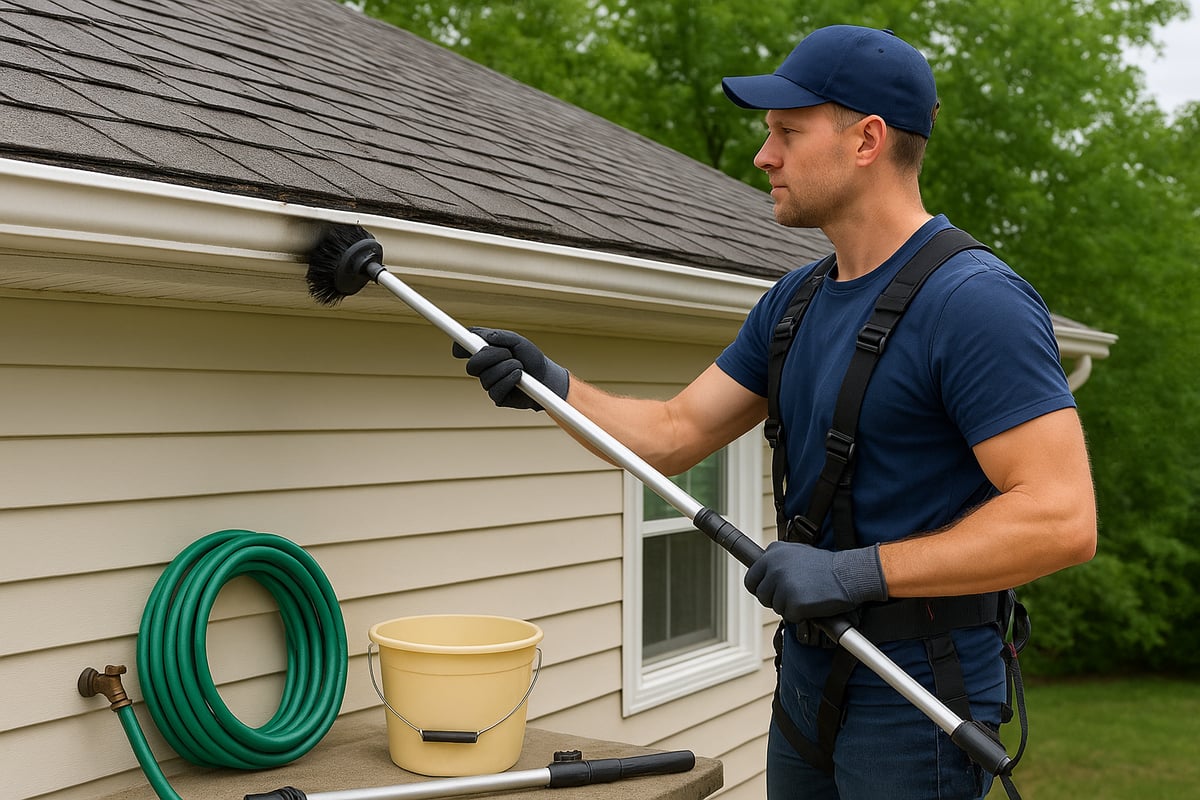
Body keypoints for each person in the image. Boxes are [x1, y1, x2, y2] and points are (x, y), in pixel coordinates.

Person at [454, 24, 1097, 800]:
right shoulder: (793, 303)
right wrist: (551, 385)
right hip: (806, 678)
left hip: (917, 690)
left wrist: (853, 570)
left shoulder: (974, 303)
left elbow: (1061, 518)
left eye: (788, 132)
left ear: (867, 140)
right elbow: (673, 434)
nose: (764, 156)